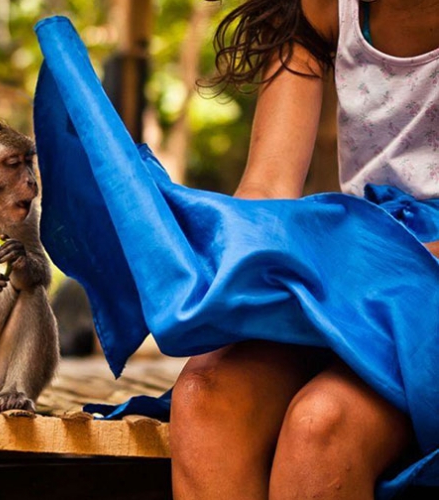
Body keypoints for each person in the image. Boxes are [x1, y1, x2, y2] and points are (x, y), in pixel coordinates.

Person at [169, 0, 439, 499]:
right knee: (204, 397)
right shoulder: (321, 9)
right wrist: (219, 260)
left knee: (322, 426)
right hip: (361, 263)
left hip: (411, 275)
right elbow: (267, 188)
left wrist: (366, 266)